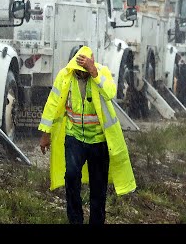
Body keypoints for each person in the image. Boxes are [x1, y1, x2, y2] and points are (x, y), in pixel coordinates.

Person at [38, 45, 136, 224]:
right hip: (74, 137)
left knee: (98, 189)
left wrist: (94, 73)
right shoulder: (65, 76)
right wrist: (45, 134)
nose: (81, 74)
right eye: (79, 70)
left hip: (99, 141)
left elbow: (111, 93)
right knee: (72, 175)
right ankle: (75, 220)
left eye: (84, 70)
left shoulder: (101, 72)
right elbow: (52, 103)